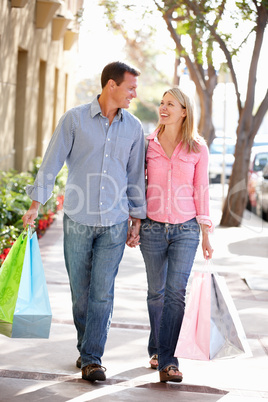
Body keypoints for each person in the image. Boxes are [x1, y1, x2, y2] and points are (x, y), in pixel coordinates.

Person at [22, 61, 146, 382]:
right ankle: (85, 347)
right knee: (81, 292)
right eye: (130, 87)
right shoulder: (74, 120)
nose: (134, 94)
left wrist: (137, 219)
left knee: (102, 292)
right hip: (78, 219)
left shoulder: (133, 128)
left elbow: (135, 178)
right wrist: (35, 205)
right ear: (111, 86)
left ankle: (92, 357)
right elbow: (51, 164)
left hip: (115, 222)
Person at [139, 87, 214, 383]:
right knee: (156, 293)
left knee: (175, 295)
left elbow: (202, 191)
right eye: (162, 103)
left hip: (186, 230)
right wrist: (135, 222)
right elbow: (136, 185)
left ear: (184, 111)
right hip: (153, 228)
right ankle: (157, 348)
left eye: (170, 104)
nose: (163, 108)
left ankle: (169, 361)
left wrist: (206, 233)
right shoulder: (147, 145)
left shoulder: (198, 148)